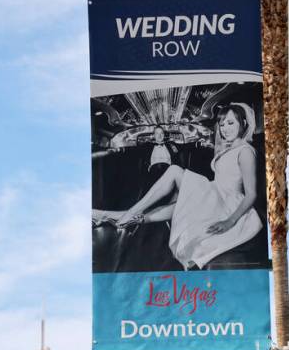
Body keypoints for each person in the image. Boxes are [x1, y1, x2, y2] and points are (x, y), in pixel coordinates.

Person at [93, 103, 262, 270]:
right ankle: (112, 215)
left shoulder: (245, 151)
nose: (225, 129)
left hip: (227, 203)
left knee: (174, 171)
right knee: (176, 206)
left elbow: (251, 194)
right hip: (215, 193)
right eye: (222, 124)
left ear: (244, 124)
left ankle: (130, 214)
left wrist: (229, 221)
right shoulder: (229, 148)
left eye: (231, 123)